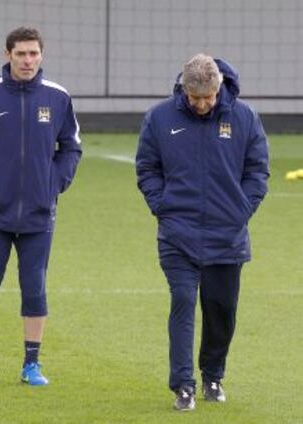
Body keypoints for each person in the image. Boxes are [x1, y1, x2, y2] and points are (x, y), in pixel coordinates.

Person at [136, 54, 269, 411]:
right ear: (184, 90)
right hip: (177, 234)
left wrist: (242, 209)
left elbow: (258, 171)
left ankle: (212, 375)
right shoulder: (160, 118)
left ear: (219, 88)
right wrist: (161, 205)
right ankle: (183, 385)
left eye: (208, 97)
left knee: (221, 310)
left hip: (228, 236)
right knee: (182, 301)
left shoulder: (245, 118)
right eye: (195, 98)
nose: (201, 104)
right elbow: (147, 168)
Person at [0, 26, 82, 386]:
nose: (28, 60)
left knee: (35, 289)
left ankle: (31, 365)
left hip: (39, 216)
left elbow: (71, 146)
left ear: (42, 55)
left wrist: (54, 184)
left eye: (34, 54)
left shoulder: (57, 98)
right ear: (7, 54)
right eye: (21, 53)